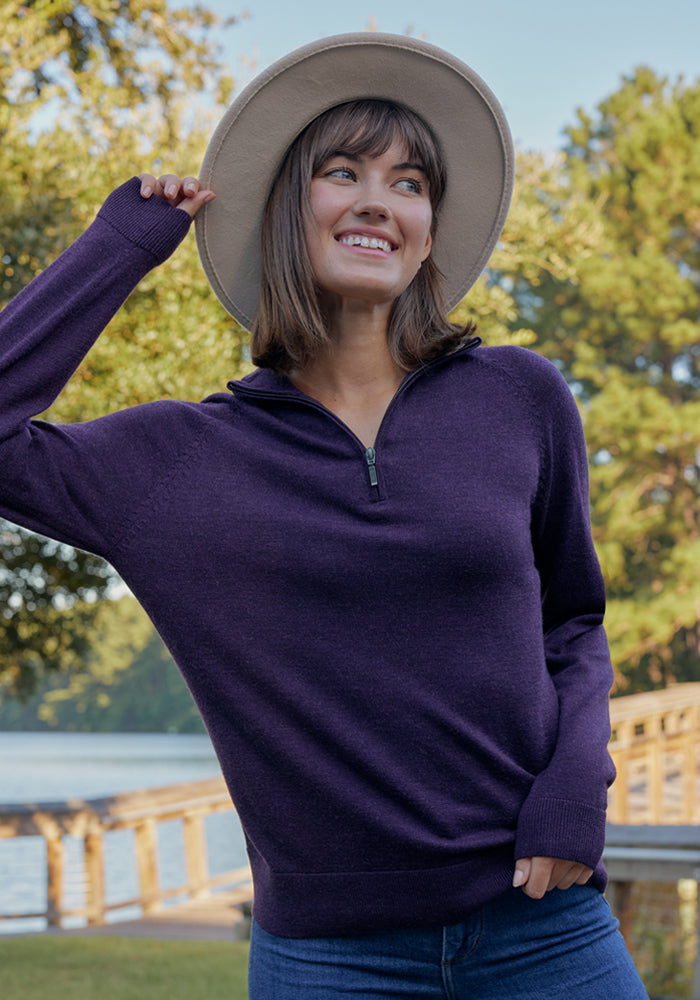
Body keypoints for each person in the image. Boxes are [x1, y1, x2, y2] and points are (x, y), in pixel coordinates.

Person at [0, 32, 648, 999]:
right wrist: (119, 250)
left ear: (429, 225)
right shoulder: (179, 461)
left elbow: (574, 620)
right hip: (329, 958)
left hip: (543, 924)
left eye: (410, 181)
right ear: (286, 210)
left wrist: (572, 789)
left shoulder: (519, 396)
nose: (378, 201)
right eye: (342, 173)